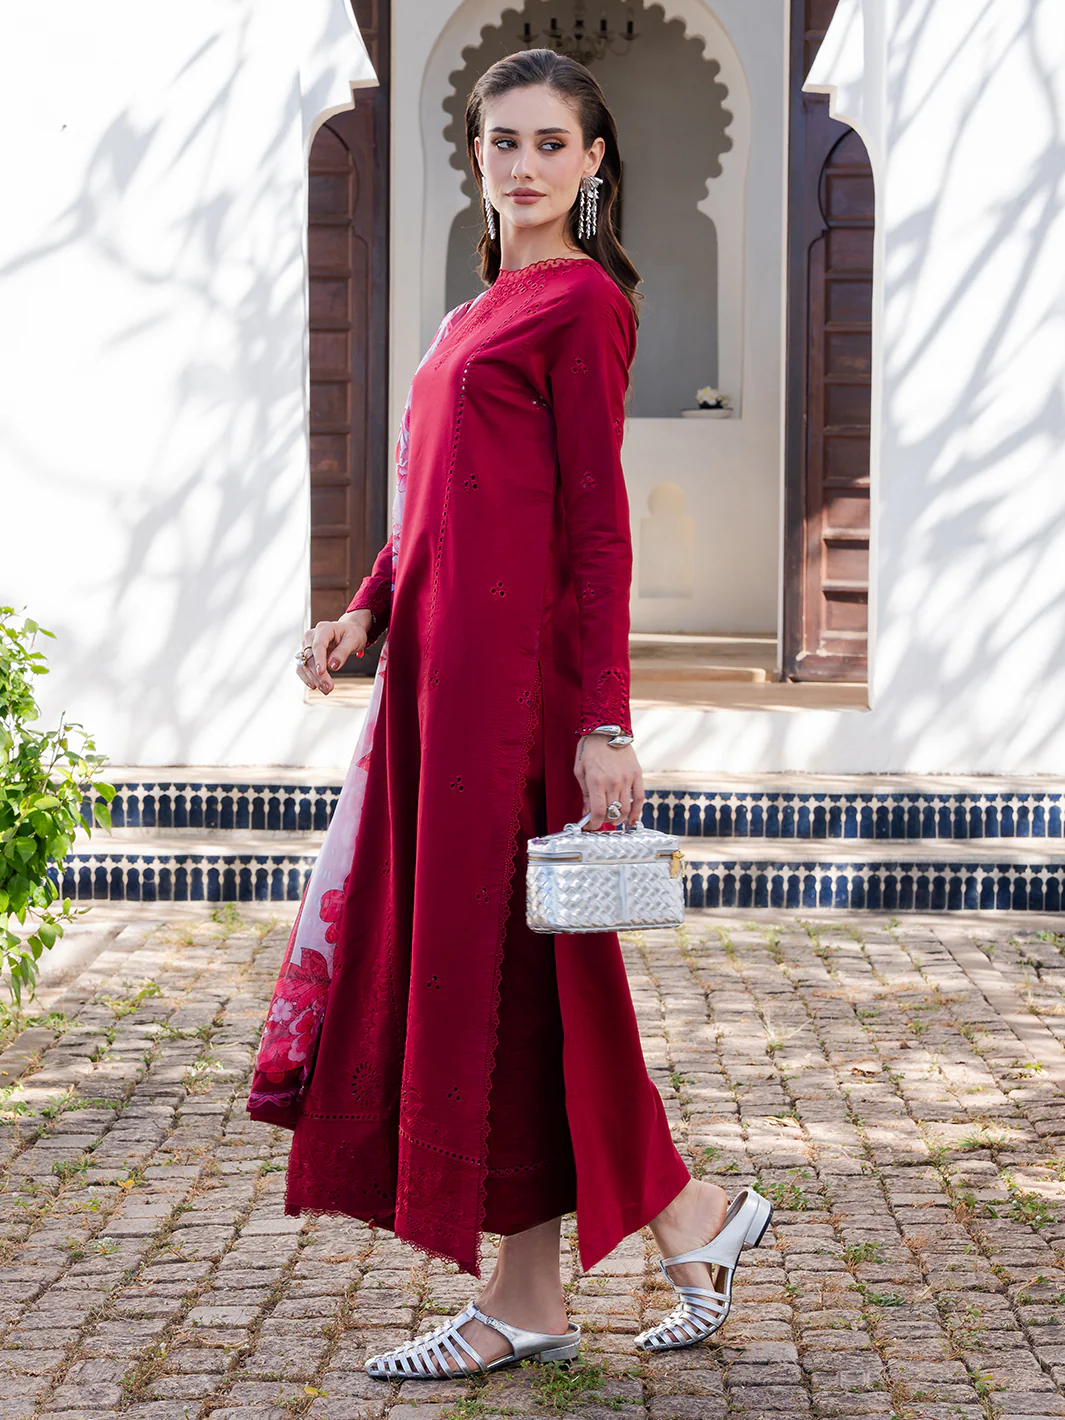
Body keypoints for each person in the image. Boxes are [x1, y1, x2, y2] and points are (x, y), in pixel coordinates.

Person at [247, 47, 770, 1379]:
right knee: (520, 979)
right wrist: (366, 608)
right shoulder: (482, 307)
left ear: (593, 161)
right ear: (474, 156)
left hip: (516, 700)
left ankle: (628, 1245)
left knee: (521, 971)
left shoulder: (582, 306)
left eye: (550, 143)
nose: (524, 164)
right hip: (437, 685)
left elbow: (598, 532)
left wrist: (605, 719)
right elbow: (433, 502)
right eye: (503, 142)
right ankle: (631, 1246)